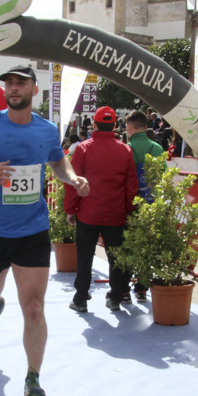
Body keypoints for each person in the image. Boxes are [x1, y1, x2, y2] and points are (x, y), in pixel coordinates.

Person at [0, 64, 89, 396]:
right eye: (8, 83)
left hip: (33, 230)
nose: (13, 88)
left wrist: (72, 178)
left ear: (33, 90)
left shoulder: (46, 130)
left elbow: (57, 162)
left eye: (20, 83)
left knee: (36, 308)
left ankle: (33, 379)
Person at [63, 106, 138, 314]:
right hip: (115, 213)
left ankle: (81, 298)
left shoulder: (83, 148)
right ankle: (115, 297)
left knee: (85, 255)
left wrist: (70, 209)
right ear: (114, 125)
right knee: (116, 256)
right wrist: (129, 209)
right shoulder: (125, 149)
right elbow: (131, 186)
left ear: (94, 124)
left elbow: (73, 182)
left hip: (88, 212)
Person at [124, 111, 166, 302]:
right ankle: (142, 287)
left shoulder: (127, 149)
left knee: (128, 245)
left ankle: (123, 288)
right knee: (148, 245)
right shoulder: (157, 148)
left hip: (132, 205)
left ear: (130, 128)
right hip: (153, 204)